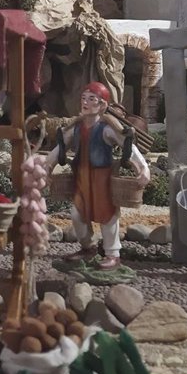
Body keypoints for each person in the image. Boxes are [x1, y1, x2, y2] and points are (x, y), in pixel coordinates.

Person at [45, 83, 150, 271]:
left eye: (91, 99)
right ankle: (88, 248)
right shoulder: (76, 128)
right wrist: (47, 166)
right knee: (77, 214)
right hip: (82, 178)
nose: (85, 102)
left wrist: (143, 169)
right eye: (83, 98)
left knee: (107, 216)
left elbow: (128, 146)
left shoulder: (106, 128)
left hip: (102, 180)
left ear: (102, 105)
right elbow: (60, 148)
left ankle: (113, 254)